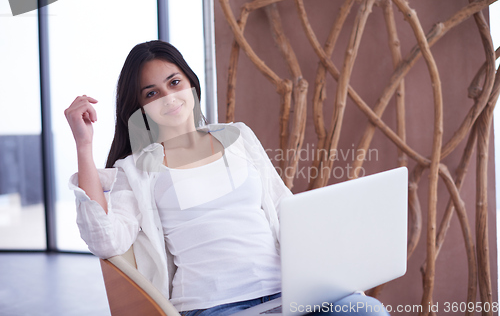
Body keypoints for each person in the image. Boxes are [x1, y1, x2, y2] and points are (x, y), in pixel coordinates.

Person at [65, 40, 389, 316]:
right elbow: (106, 239)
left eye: (174, 82)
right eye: (151, 93)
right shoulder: (137, 169)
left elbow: (284, 207)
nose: (168, 96)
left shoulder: (239, 137)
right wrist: (84, 143)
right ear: (140, 109)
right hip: (217, 305)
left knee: (370, 311)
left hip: (290, 295)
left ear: (191, 83)